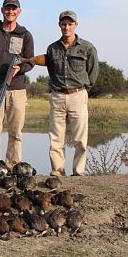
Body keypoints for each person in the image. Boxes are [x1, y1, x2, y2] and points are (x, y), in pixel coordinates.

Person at [0, 0, 34, 170]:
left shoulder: (25, 34)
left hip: (17, 89)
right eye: (7, 9)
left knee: (16, 133)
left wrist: (20, 68)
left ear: (19, 11)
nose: (10, 12)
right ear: (2, 10)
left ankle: (14, 167)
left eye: (14, 9)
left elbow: (30, 61)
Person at [46, 10, 99, 176]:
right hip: (57, 95)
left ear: (76, 25)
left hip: (78, 94)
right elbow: (51, 70)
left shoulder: (87, 48)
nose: (66, 27)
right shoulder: (52, 48)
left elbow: (93, 72)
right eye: (63, 23)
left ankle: (78, 171)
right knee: (55, 136)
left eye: (70, 24)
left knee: (80, 137)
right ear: (59, 25)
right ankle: (57, 169)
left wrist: (83, 90)